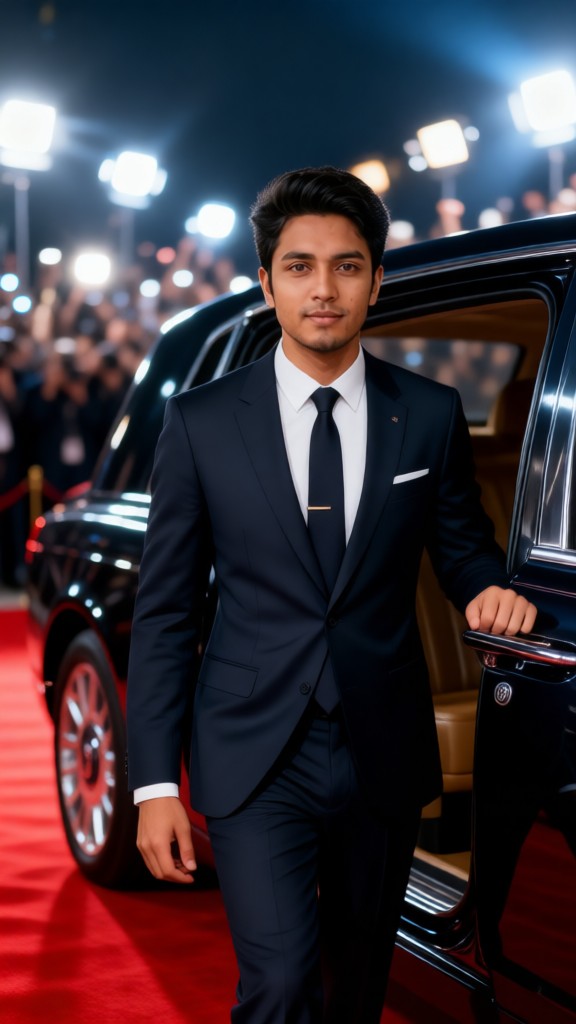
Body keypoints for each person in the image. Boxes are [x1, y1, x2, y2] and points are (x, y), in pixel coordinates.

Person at [126, 166, 537, 1023]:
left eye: (348, 266)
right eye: (302, 267)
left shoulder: (427, 413)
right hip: (252, 752)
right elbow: (165, 611)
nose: (325, 289)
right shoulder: (201, 421)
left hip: (381, 745)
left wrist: (491, 588)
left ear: (377, 281)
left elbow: (461, 550)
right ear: (269, 280)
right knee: (279, 986)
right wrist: (152, 785)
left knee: (356, 990)